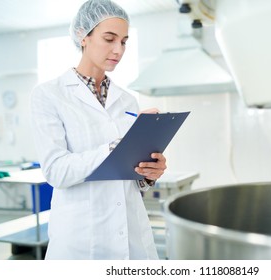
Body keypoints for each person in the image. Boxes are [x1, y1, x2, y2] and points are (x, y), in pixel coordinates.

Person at [30, 0, 166, 260]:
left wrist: (148, 174)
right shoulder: (48, 95)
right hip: (81, 240)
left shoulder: (127, 100)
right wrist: (117, 147)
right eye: (109, 38)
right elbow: (56, 171)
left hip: (130, 234)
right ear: (83, 36)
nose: (118, 49)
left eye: (124, 41)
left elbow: (130, 171)